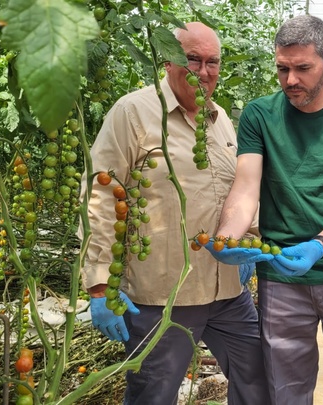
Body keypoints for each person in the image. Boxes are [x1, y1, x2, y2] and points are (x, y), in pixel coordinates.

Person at [202, 14, 323, 404]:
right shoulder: (259, 114)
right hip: (282, 278)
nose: (290, 80)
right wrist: (226, 237)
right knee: (286, 388)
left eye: (303, 68)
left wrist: (321, 243)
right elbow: (245, 187)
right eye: (282, 69)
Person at [78, 22, 269, 404]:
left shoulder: (222, 121)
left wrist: (250, 238)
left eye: (212, 61)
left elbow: (239, 191)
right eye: (192, 59)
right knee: (155, 392)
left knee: (259, 379)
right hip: (162, 296)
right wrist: (100, 283)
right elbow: (100, 195)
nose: (203, 71)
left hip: (227, 291)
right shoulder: (134, 113)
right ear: (168, 62)